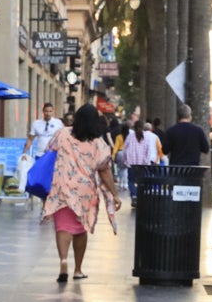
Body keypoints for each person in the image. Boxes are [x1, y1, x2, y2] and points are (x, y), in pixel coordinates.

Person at [42, 104, 122, 282]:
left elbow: (48, 151)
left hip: (61, 187)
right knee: (80, 229)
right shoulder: (98, 144)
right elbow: (105, 171)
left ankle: (63, 261)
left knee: (63, 226)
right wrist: (115, 194)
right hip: (85, 191)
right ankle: (78, 270)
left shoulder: (62, 134)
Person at [118, 118, 161, 202]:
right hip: (142, 165)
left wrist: (127, 161)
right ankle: (140, 196)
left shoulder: (130, 137)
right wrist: (146, 162)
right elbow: (148, 151)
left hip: (132, 164)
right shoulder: (146, 138)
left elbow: (125, 150)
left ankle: (134, 195)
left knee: (131, 181)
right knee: (142, 181)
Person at [162, 103, 209, 167]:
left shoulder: (171, 131)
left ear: (178, 116)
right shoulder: (198, 131)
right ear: (189, 116)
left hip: (176, 169)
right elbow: (206, 149)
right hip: (193, 170)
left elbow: (165, 150)